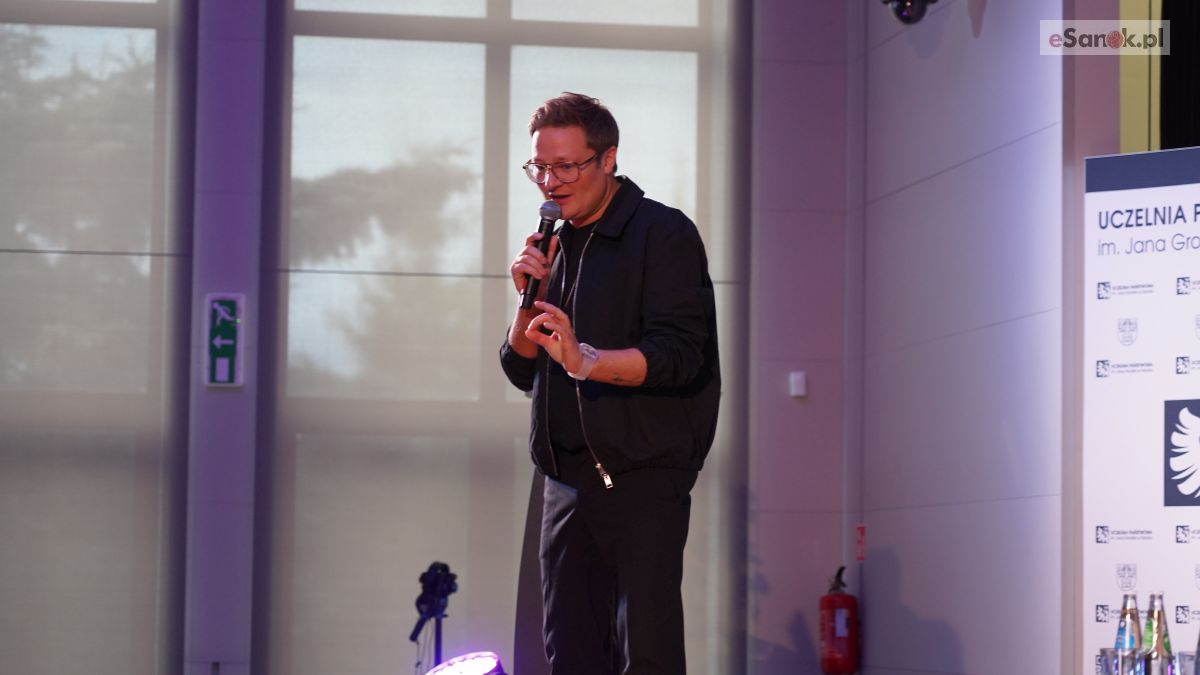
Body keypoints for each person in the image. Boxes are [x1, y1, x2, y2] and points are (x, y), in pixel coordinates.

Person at [499, 92, 721, 675]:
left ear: (608, 158)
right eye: (539, 167)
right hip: (564, 482)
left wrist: (585, 360)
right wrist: (527, 300)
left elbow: (680, 356)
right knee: (570, 654)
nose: (550, 183)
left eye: (566, 166)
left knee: (645, 654)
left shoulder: (662, 234)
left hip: (642, 477)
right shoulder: (555, 242)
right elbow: (520, 368)